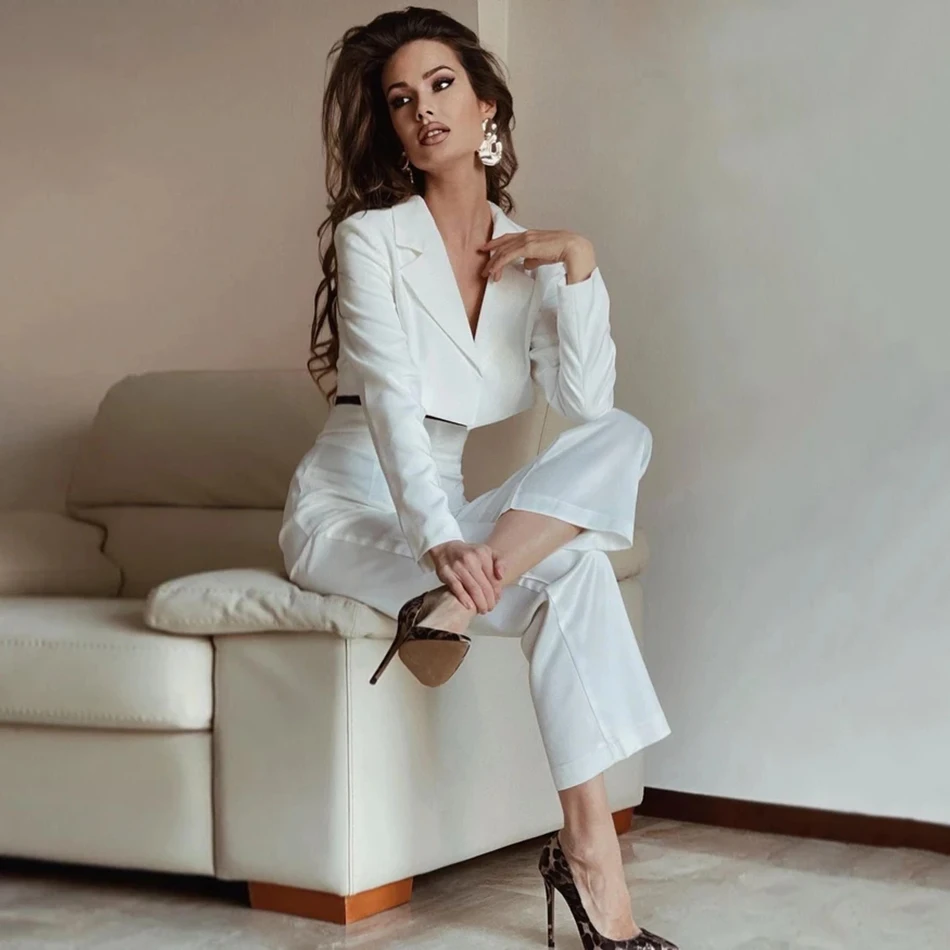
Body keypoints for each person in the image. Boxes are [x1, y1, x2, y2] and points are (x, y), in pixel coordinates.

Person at [280, 7, 677, 948]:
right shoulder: (374, 239)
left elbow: (586, 404)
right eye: (401, 99)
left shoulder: (528, 254)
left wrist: (577, 266)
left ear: (486, 105)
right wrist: (440, 543)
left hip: (452, 512)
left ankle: (585, 846)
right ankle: (596, 873)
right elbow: (389, 407)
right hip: (350, 508)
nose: (424, 110)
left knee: (623, 440)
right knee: (573, 570)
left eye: (442, 85)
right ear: (394, 127)